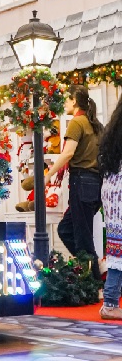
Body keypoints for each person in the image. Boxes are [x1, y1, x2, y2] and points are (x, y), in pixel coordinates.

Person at [45, 85, 104, 280]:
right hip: (96, 184)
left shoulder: (77, 122)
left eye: (66, 99)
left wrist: (48, 175)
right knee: (67, 229)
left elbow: (68, 153)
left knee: (82, 236)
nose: (64, 103)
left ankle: (93, 281)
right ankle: (86, 270)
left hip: (81, 182)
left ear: (74, 100)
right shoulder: (96, 124)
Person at [98, 98, 122, 319]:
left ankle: (110, 301)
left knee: (117, 247)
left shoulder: (114, 128)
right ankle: (111, 303)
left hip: (112, 191)